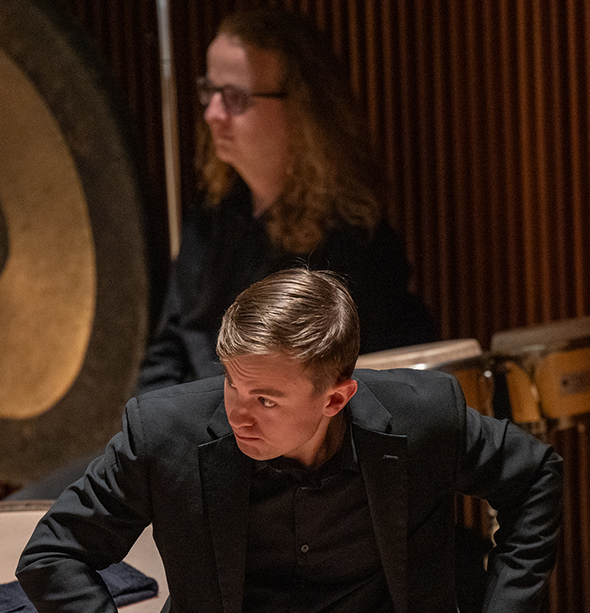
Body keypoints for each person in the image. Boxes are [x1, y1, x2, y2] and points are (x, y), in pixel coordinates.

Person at [17, 270, 561, 613]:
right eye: (231, 382)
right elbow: (53, 556)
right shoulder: (164, 432)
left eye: (266, 399)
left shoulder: (422, 420)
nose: (237, 411)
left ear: (336, 397)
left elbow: (536, 476)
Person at [137, 8, 436, 394]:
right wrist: (157, 430)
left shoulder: (353, 250)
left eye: (235, 98)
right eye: (210, 92)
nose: (212, 114)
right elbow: (167, 350)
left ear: (301, 110)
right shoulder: (212, 218)